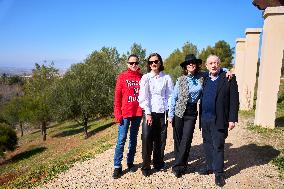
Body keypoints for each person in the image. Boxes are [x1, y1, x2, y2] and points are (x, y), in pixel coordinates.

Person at [168, 54, 233, 178]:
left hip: (191, 112)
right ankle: (182, 165)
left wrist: (226, 70)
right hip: (179, 111)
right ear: (185, 67)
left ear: (196, 65)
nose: (191, 64)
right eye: (188, 63)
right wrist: (170, 114)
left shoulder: (202, 77)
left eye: (193, 62)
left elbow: (216, 69)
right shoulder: (181, 79)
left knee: (186, 140)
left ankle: (176, 166)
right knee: (178, 140)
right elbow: (173, 97)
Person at [198, 55, 239, 187]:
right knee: (207, 144)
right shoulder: (205, 78)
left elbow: (234, 100)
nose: (213, 65)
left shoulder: (229, 78)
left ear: (219, 64)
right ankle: (210, 166)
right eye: (211, 63)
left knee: (218, 146)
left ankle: (219, 173)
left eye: (216, 63)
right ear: (207, 66)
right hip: (205, 118)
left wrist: (232, 119)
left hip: (219, 119)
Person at [138, 52, 174, 177]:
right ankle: (146, 166)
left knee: (160, 139)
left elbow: (170, 96)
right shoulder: (146, 78)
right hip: (149, 112)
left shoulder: (167, 78)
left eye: (156, 61)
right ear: (148, 64)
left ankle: (158, 162)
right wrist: (147, 113)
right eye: (151, 62)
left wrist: (170, 113)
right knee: (147, 138)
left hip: (162, 113)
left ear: (160, 62)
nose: (153, 63)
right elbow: (144, 97)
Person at [113, 54, 143, 179]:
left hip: (137, 113)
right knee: (121, 140)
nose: (133, 65)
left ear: (138, 64)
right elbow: (117, 97)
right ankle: (117, 166)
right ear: (127, 64)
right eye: (131, 63)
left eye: (135, 63)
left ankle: (130, 162)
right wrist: (117, 113)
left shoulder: (142, 77)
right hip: (125, 114)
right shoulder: (122, 77)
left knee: (133, 139)